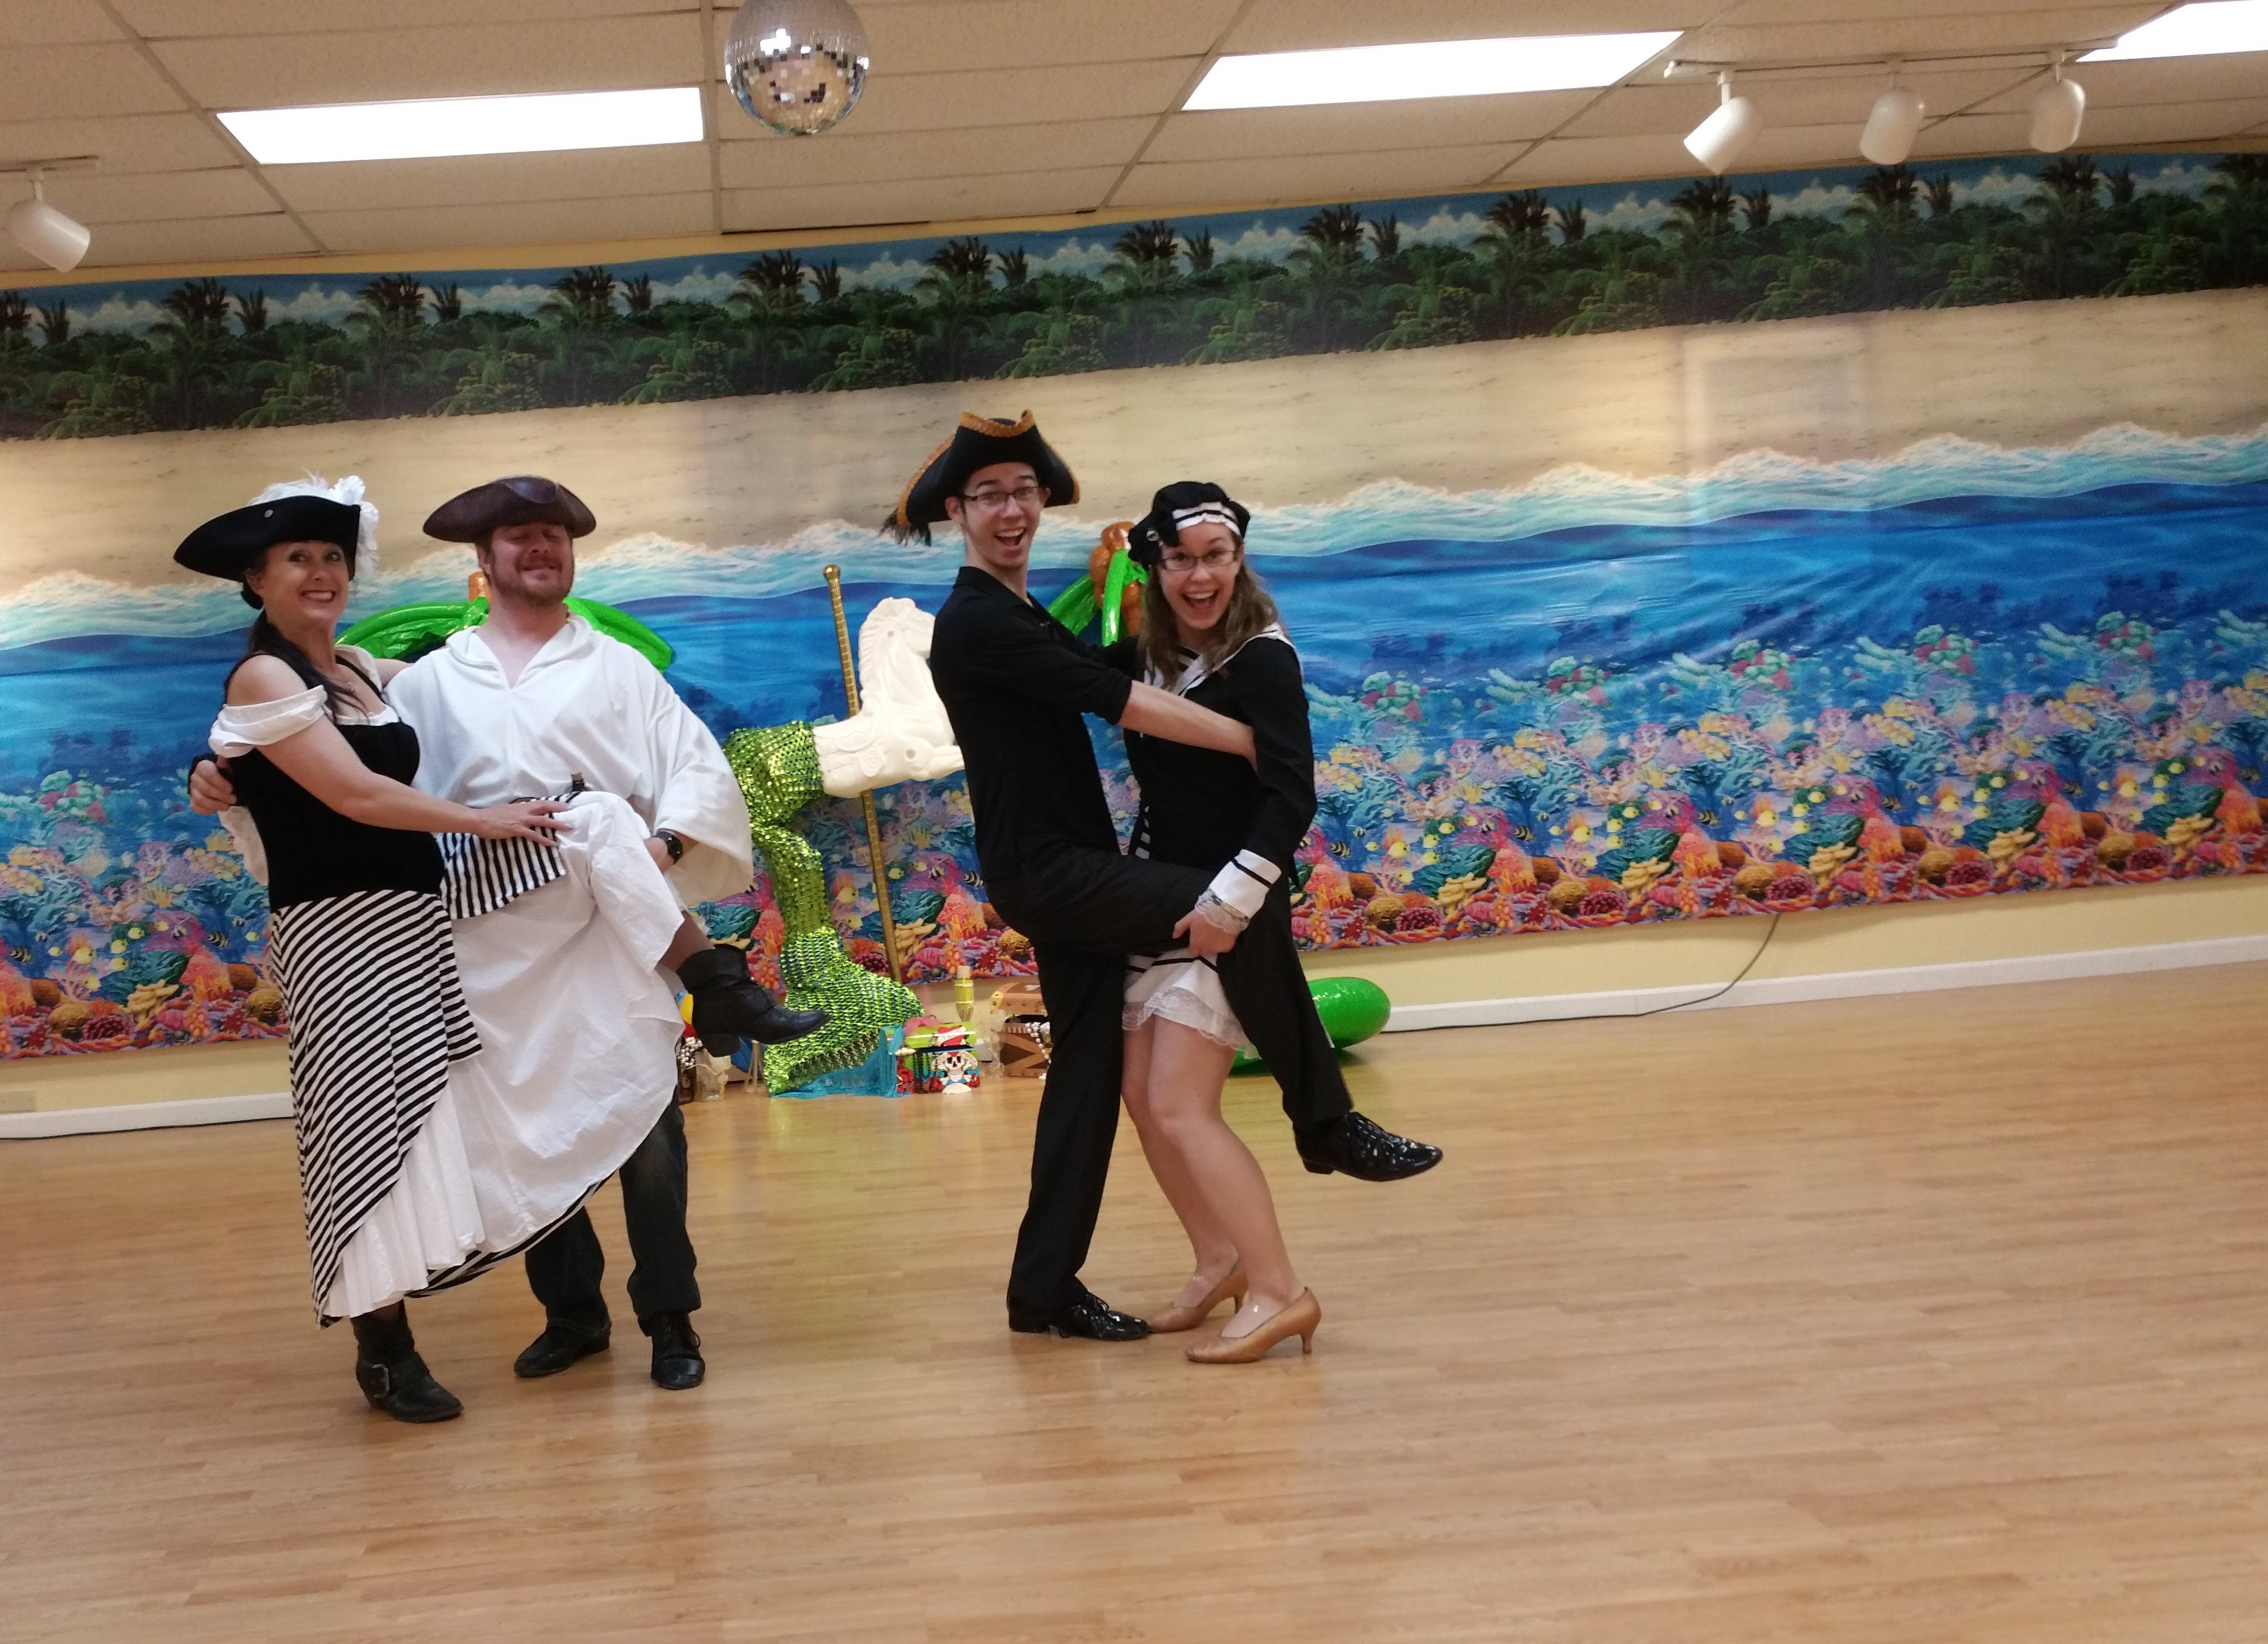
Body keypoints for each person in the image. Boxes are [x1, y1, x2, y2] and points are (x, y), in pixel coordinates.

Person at [194, 474, 808, 1393]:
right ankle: (571, 1315)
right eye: (518, 537)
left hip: (603, 921)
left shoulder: (618, 669)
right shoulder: (427, 681)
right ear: (483, 561)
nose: (539, 549)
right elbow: (330, 766)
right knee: (527, 1127)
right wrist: (214, 770)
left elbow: (695, 769)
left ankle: (670, 1318)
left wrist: (669, 843)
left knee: (645, 1124)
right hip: (482, 932)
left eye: (553, 535)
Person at [903, 413, 1441, 1344]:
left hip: (1082, 867)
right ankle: (1326, 1121)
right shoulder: (978, 618)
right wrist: (1251, 741)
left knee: (1092, 1076)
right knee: (1228, 908)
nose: (1012, 510)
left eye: (1025, 492)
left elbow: (1110, 669)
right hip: (1053, 871)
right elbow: (1119, 697)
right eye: (989, 495)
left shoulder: (1028, 613)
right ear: (958, 510)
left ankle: (1045, 1288)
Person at [180, 474, 587, 1425]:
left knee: (417, 1122)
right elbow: (354, 796)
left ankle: (398, 1320)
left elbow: (476, 692)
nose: (320, 572)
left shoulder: (363, 669)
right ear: (256, 581)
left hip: (408, 922)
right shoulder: (264, 678)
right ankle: (382, 1348)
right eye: (296, 559)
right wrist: (485, 821)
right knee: (359, 1127)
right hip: (336, 932)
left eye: (332, 555)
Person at [1107, 482, 1364, 1363]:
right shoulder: (1148, 654)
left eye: (1215, 557)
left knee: (1181, 1106)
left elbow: (1291, 794)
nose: (1199, 576)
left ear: (1238, 558)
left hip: (1229, 909)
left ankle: (1281, 1290)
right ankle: (1218, 1259)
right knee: (1142, 1098)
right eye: (1180, 559)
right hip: (1162, 901)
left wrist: (1230, 903)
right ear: (1154, 567)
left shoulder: (1262, 659)